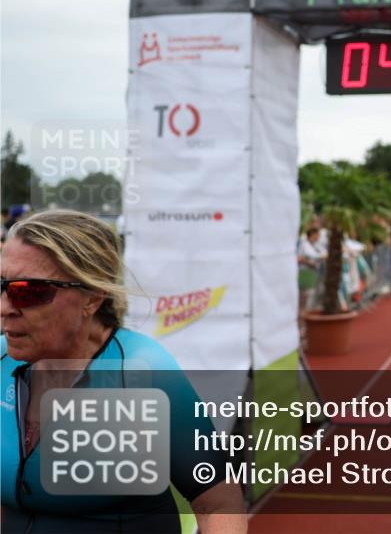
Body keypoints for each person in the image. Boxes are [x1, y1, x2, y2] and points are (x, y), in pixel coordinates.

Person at [1, 209, 245, 533]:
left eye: (28, 291)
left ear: (92, 298)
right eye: (2, 286)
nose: (4, 307)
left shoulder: (142, 373)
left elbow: (219, 504)